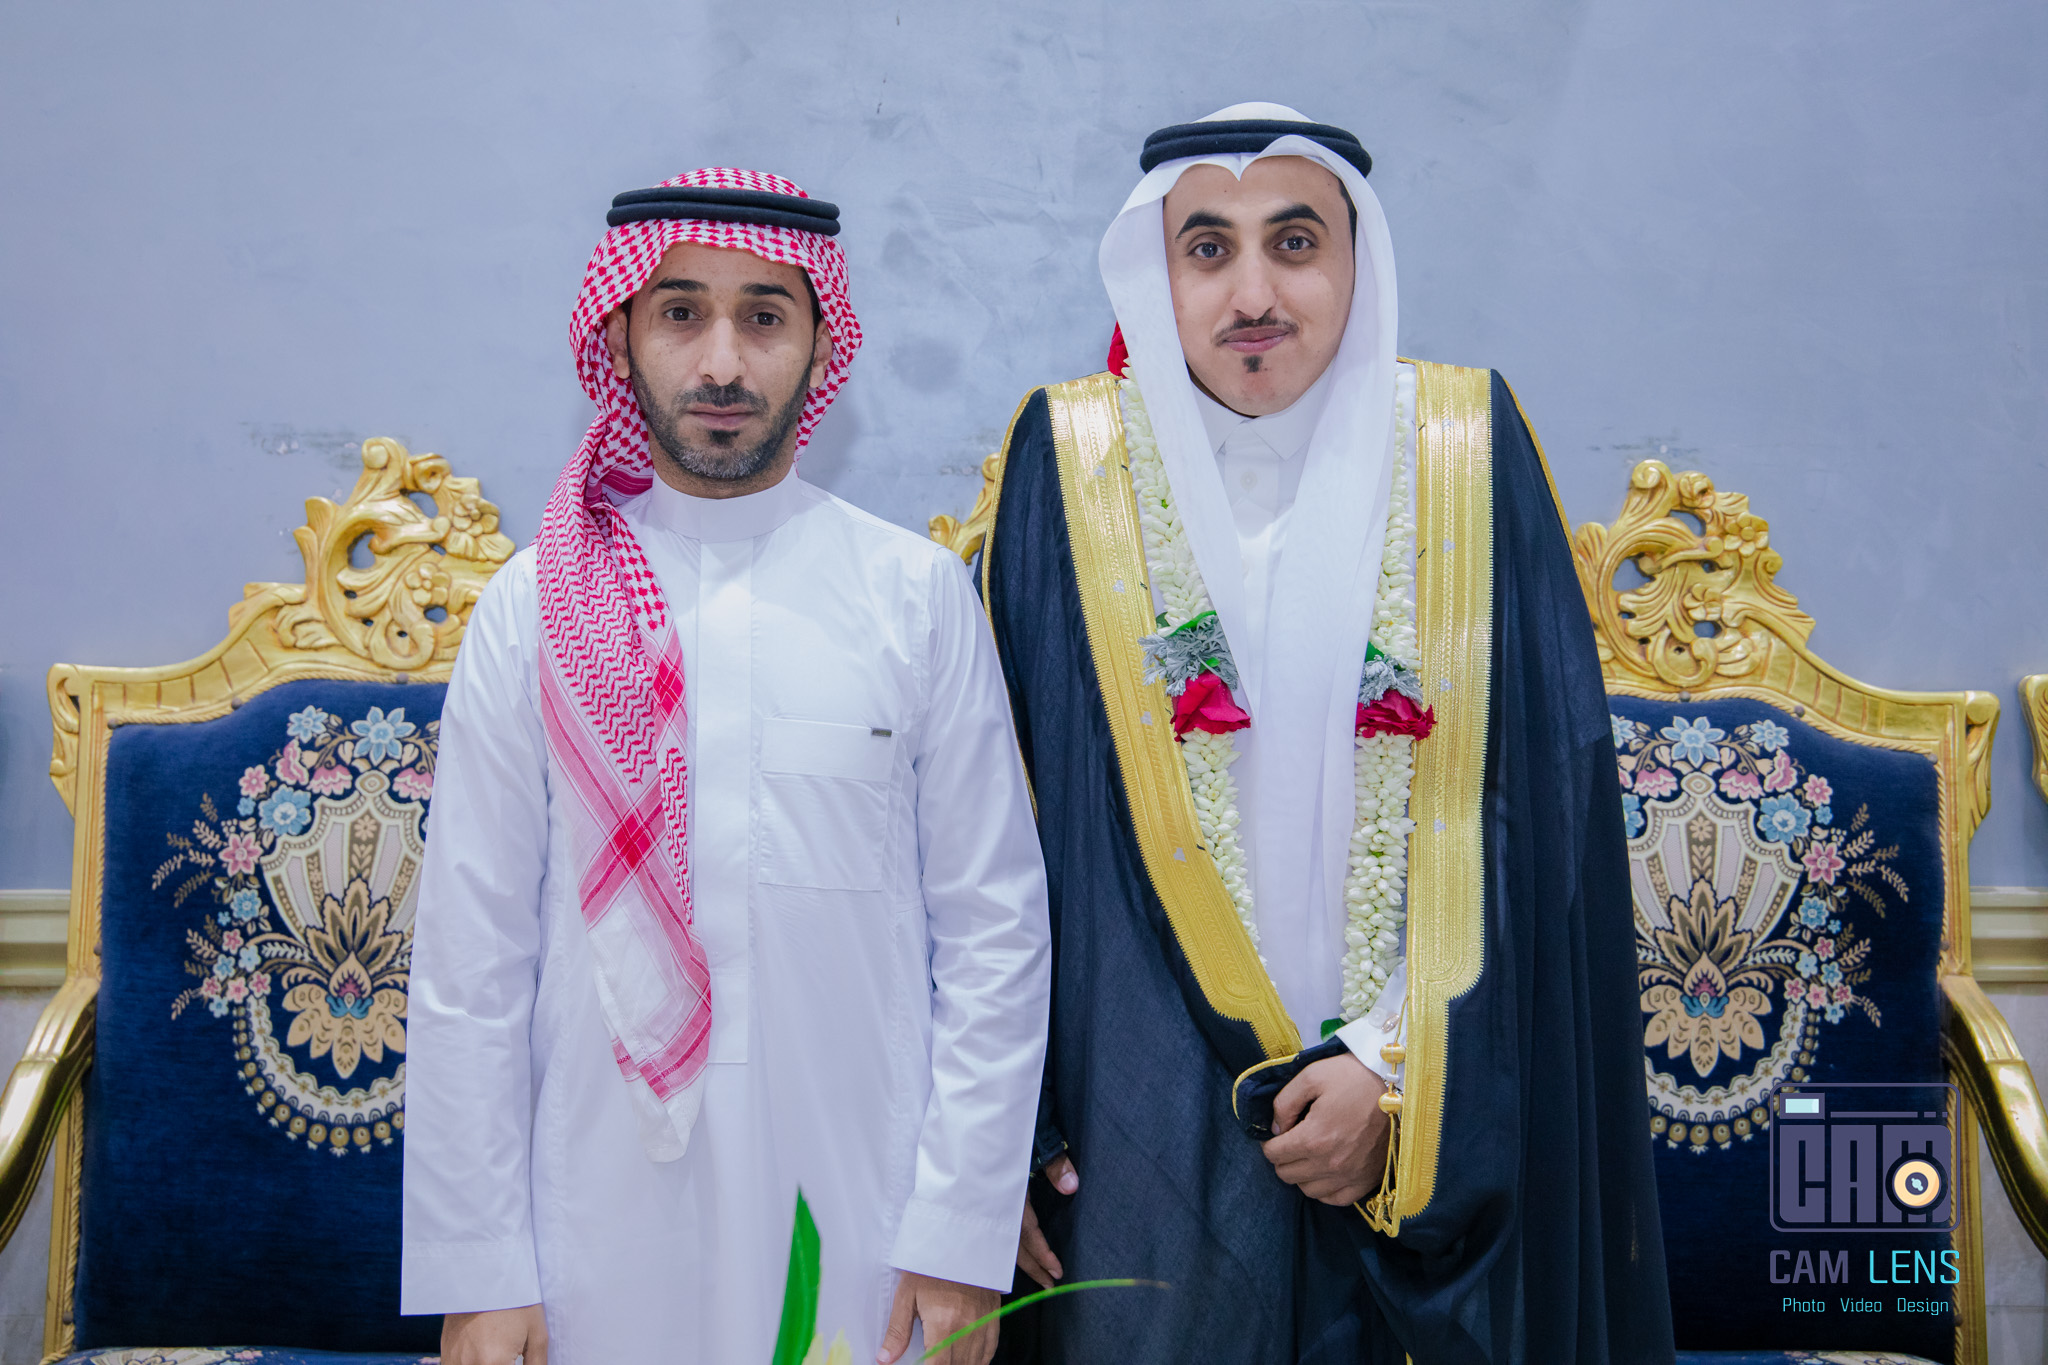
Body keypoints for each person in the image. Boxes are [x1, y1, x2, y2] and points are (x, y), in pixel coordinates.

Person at [980, 106, 1674, 1363]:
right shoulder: (1069, 464)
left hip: (1428, 1112)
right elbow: (1006, 828)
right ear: (1154, 272)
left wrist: (1394, 1064)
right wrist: (1006, 1146)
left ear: (1359, 263)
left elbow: (1535, 808)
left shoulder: (1464, 451)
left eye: (1293, 243)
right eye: (1206, 249)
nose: (1251, 293)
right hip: (1148, 1121)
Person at [400, 167, 1050, 1365]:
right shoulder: (533, 609)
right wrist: (479, 1269)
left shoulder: (912, 599)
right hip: (591, 1221)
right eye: (679, 312)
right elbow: (467, 962)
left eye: (762, 316)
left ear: (820, 345)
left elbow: (994, 932)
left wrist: (959, 1232)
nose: (720, 362)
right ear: (620, 338)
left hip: (862, 1210)